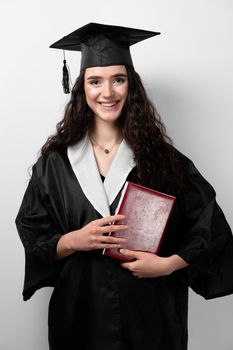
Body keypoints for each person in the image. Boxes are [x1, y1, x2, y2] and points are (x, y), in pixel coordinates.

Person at [16, 22, 233, 350]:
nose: (108, 92)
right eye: (95, 81)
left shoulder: (164, 160)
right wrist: (75, 240)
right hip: (79, 313)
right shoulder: (55, 164)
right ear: (81, 89)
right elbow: (34, 238)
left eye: (118, 79)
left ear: (131, 86)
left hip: (150, 314)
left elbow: (210, 228)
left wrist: (166, 265)